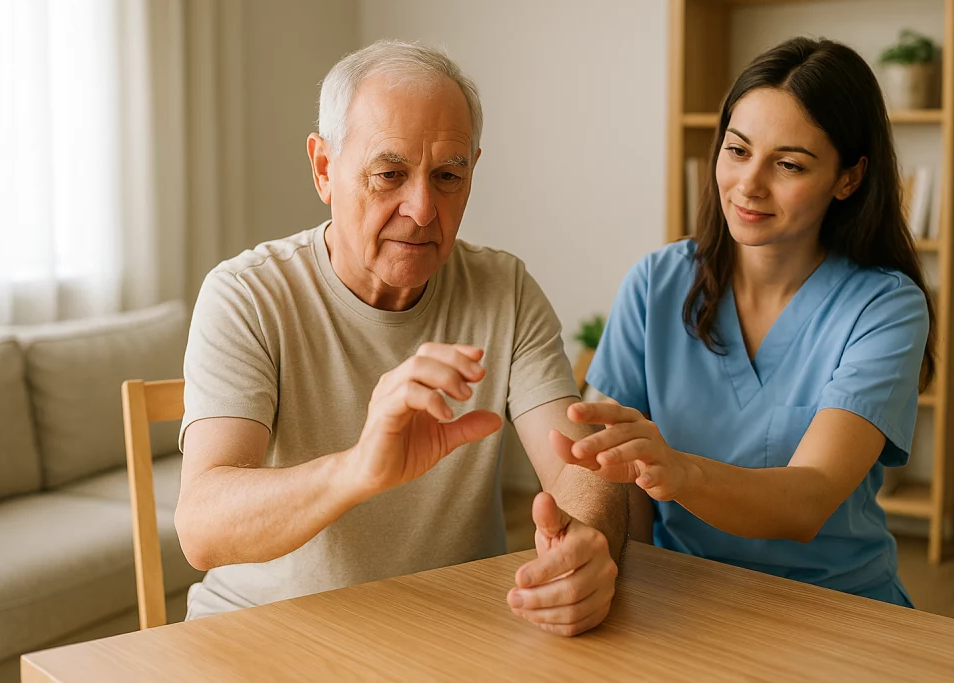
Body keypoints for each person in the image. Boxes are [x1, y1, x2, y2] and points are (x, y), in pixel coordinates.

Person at [174, 40, 625, 636]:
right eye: (389, 174)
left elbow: (579, 465)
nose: (422, 208)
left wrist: (589, 545)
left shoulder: (504, 288)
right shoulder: (247, 295)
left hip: (448, 628)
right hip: (264, 635)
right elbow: (202, 528)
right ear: (324, 168)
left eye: (447, 176)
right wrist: (359, 468)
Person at [555, 37, 934, 606]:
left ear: (848, 178)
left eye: (788, 164)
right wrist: (593, 556)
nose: (749, 185)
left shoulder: (885, 307)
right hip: (682, 599)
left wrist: (679, 473)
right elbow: (609, 470)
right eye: (737, 150)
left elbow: (809, 500)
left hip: (838, 607)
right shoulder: (657, 283)